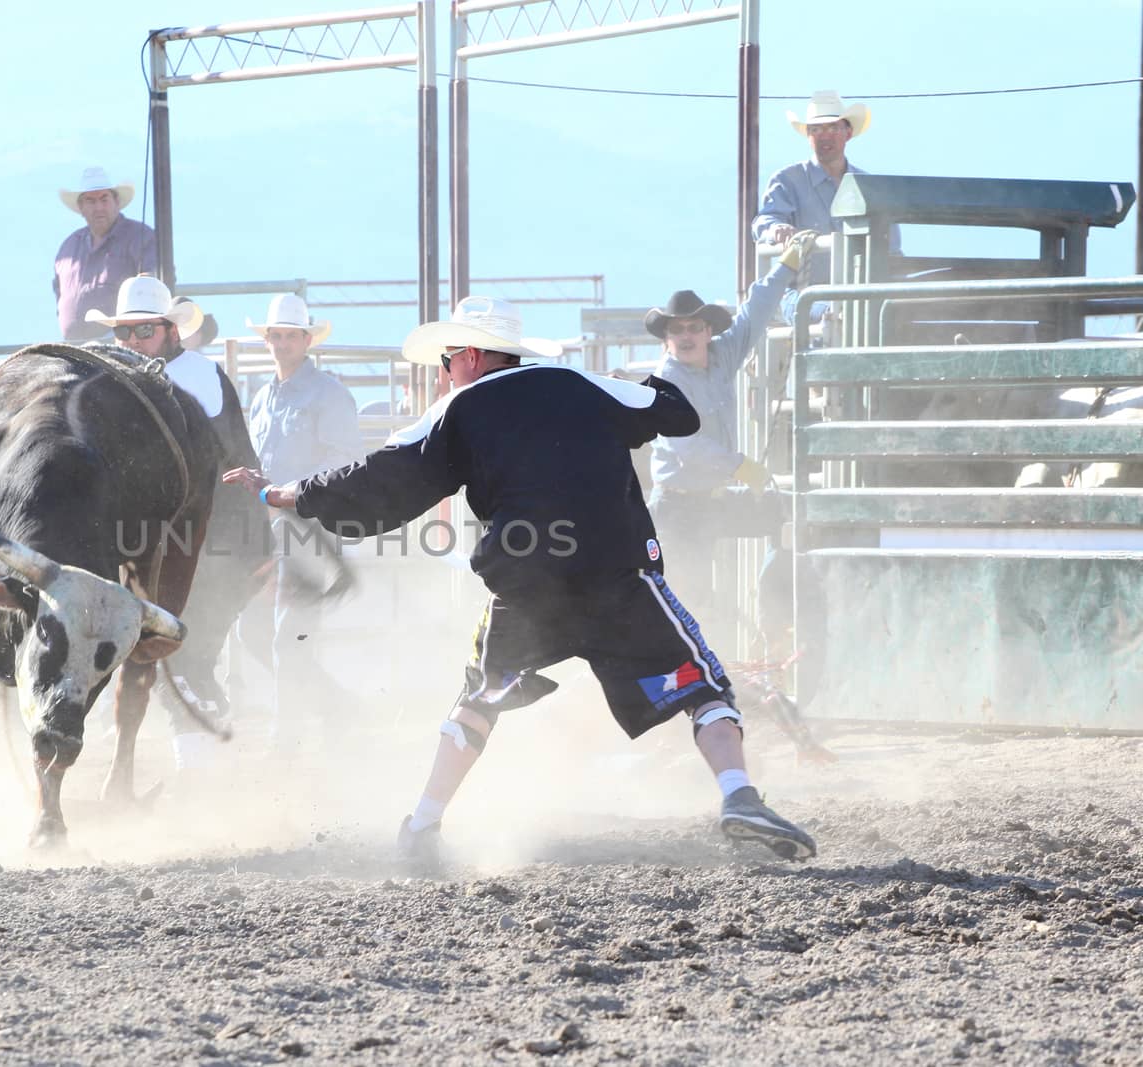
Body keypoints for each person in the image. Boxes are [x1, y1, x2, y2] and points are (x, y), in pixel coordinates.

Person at [223, 296, 818, 863]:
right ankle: (740, 796)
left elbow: (379, 476)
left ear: (474, 356)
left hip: (527, 585)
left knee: (479, 699)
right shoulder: (581, 384)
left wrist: (284, 493)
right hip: (617, 573)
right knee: (703, 685)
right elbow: (673, 412)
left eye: (448, 358)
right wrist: (643, 387)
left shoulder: (454, 411)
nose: (445, 370)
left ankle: (423, 824)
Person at [645, 234, 835, 762]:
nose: (685, 336)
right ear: (668, 337)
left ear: (707, 331)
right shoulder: (667, 380)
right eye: (677, 329)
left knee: (779, 515)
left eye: (693, 327)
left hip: (706, 502)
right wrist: (741, 465)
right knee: (688, 610)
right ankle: (677, 708)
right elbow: (686, 446)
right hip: (679, 506)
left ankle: (778, 626)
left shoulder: (723, 356)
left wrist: (784, 267)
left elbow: (755, 312)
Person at [84, 276, 268, 771]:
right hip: (188, 546)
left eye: (143, 332)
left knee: (182, 652)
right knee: (180, 652)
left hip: (218, 544)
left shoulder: (194, 377)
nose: (131, 343)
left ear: (170, 331)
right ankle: (207, 763)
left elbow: (220, 466)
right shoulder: (150, 380)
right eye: (124, 334)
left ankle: (203, 767)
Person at [241, 293, 364, 753]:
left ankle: (285, 739)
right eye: (276, 335)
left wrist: (288, 492)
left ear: (307, 340)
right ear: (268, 339)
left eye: (292, 335)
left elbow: (346, 463)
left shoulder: (328, 394)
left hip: (310, 527)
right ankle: (335, 706)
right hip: (272, 527)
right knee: (255, 631)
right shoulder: (262, 398)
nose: (283, 343)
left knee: (287, 635)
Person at [751, 91, 902, 323]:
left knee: (888, 312)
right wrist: (776, 229)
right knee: (835, 314)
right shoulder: (787, 180)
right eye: (816, 129)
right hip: (801, 293)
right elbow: (764, 222)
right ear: (808, 136)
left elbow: (891, 246)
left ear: (848, 133)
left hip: (860, 296)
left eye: (833, 128)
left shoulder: (869, 186)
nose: (825, 136)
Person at [54, 167, 158, 342]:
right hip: (74, 348)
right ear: (81, 207)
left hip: (121, 346)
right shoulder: (69, 247)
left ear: (116, 202)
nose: (98, 207)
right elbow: (58, 291)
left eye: (104, 199)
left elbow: (154, 287)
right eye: (91, 201)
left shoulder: (140, 237)